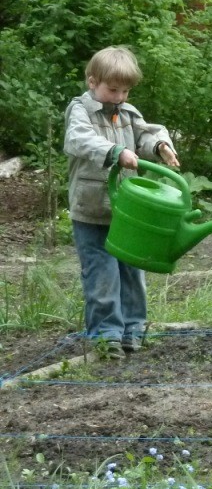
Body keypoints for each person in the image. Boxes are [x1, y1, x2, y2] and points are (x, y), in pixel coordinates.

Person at [64, 46, 180, 359]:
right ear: (92, 81)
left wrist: (159, 147)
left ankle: (133, 331)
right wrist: (116, 153)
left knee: (132, 272)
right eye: (113, 89)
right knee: (101, 275)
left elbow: (145, 134)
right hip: (92, 211)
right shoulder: (81, 111)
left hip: (127, 213)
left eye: (125, 90)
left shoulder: (127, 113)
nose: (119, 96)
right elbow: (79, 140)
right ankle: (106, 338)